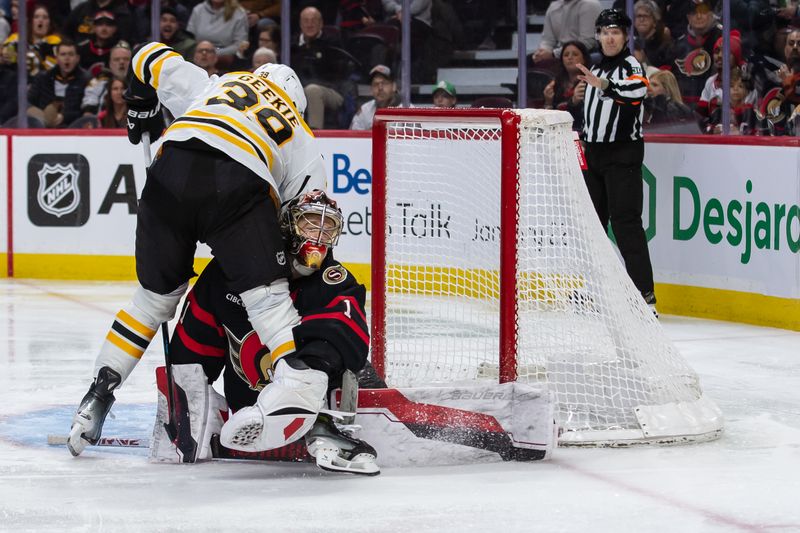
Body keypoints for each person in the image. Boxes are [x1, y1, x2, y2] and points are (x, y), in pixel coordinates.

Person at [66, 49, 327, 459]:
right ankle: (296, 385)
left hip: (170, 167)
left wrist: (141, 104)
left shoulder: (216, 83)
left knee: (152, 301)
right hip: (238, 179)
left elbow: (147, 56)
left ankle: (97, 394)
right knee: (267, 300)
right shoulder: (300, 134)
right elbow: (309, 220)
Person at [150, 190, 382, 474]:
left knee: (345, 356)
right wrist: (185, 407)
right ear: (287, 226)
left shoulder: (333, 280)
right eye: (309, 223)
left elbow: (347, 336)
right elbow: (192, 349)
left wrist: (306, 380)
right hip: (248, 414)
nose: (318, 234)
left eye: (327, 227)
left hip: (315, 406)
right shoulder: (226, 276)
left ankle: (324, 425)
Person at [576, 9, 657, 314]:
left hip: (622, 154)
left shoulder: (630, 65)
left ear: (625, 37)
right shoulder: (598, 68)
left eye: (615, 32)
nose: (609, 37)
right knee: (593, 228)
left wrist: (604, 86)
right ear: (598, 36)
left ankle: (644, 296)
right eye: (604, 32)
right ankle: (595, 289)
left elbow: (637, 93)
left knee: (626, 225)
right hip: (594, 154)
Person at [291, 6, 347, 130]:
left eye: (314, 20)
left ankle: (316, 136)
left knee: (312, 90)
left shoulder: (332, 43)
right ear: (300, 24)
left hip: (332, 91)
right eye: (306, 20)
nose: (309, 24)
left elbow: (338, 74)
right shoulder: (291, 45)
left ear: (321, 23)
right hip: (300, 91)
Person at [27, 40, 89, 128]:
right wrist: (38, 114)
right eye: (63, 54)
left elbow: (87, 110)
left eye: (71, 54)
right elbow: (27, 102)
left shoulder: (86, 79)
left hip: (73, 129)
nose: (67, 58)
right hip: (42, 128)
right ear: (57, 59)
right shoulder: (43, 78)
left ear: (77, 58)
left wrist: (65, 117)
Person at [672, 0, 722, 106]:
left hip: (714, 104)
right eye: (694, 13)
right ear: (688, 18)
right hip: (684, 106)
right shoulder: (679, 44)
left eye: (703, 12)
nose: (699, 16)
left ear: (711, 14)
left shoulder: (723, 38)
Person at [531, 0, 602, 67]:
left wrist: (554, 54)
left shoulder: (590, 4)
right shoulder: (553, 7)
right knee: (531, 61)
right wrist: (542, 52)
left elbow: (588, 42)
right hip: (560, 53)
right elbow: (547, 40)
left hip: (585, 53)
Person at [542, 40, 591, 131]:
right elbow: (549, 120)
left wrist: (575, 103)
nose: (570, 57)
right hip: (557, 131)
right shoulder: (555, 83)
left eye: (575, 54)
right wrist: (548, 102)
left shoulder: (589, 82)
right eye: (566, 55)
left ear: (584, 59)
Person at [2, 4, 62, 76]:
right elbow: (4, 51)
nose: (41, 20)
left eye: (45, 17)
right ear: (30, 22)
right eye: (36, 17)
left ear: (49, 23)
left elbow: (54, 67)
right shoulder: (16, 38)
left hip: (42, 82)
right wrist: (4, 55)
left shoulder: (55, 42)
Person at [81, 39, 131, 115]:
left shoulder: (141, 82)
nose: (121, 62)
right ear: (110, 64)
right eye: (117, 59)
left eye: (126, 59)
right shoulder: (99, 81)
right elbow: (89, 101)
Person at [350, 64, 398, 130]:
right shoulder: (365, 110)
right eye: (375, 84)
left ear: (394, 86)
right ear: (371, 89)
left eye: (384, 83)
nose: (380, 88)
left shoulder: (408, 110)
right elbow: (352, 137)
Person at [64, 0, 133, 44]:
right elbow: (66, 31)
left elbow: (124, 39)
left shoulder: (121, 12)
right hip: (80, 53)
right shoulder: (83, 8)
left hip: (110, 54)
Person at [632, 0, 674, 70]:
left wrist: (643, 61)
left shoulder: (665, 46)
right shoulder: (632, 44)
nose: (642, 19)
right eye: (639, 16)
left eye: (645, 16)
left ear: (655, 21)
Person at [77, 10, 120, 77]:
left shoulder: (120, 50)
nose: (104, 28)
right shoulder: (82, 48)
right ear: (93, 27)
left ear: (115, 28)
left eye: (108, 25)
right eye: (100, 24)